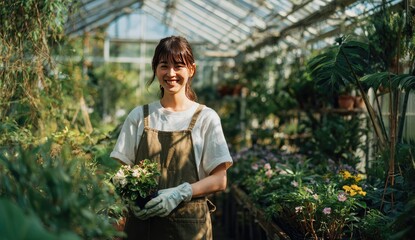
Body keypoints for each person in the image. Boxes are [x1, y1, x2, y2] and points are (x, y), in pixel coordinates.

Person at [110, 35, 233, 240]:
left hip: (190, 229)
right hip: (143, 227)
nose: (171, 73)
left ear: (191, 69)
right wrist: (128, 203)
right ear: (155, 69)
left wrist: (181, 192)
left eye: (178, 66)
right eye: (164, 66)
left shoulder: (206, 118)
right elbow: (123, 173)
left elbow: (220, 179)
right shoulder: (140, 116)